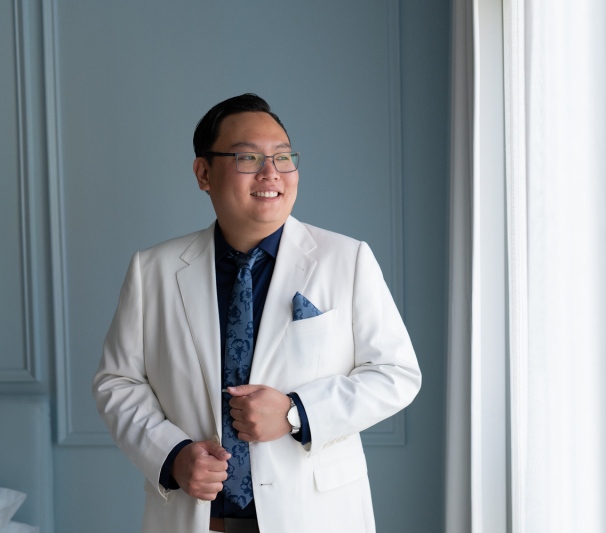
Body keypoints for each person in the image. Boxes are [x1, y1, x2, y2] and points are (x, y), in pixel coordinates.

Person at [93, 93, 422, 533]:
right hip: (197, 517)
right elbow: (118, 382)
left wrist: (295, 412)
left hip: (314, 515)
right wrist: (171, 455)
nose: (271, 172)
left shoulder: (348, 259)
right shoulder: (152, 270)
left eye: (283, 156)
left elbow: (397, 373)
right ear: (203, 172)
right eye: (248, 157)